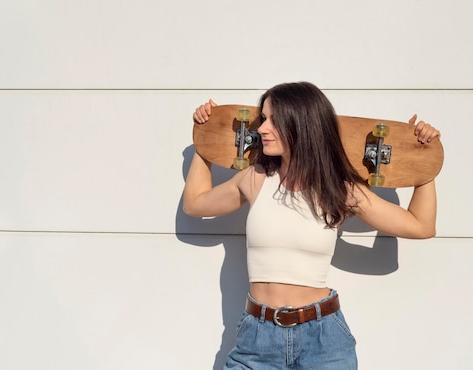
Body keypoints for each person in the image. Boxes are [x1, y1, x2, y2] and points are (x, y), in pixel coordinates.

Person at [183, 82, 440, 369]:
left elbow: (421, 226)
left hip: (323, 340)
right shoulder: (255, 179)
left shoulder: (340, 190)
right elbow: (195, 204)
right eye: (262, 119)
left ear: (301, 125)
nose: (262, 129)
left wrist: (425, 165)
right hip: (257, 338)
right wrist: (204, 140)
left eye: (273, 121)